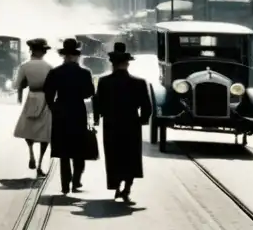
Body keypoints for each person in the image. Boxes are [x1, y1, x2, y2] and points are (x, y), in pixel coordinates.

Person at [94, 42, 153, 203]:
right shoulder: (139, 82)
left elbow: (97, 102)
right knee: (130, 156)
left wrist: (97, 118)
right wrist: (143, 120)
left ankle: (116, 185)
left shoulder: (104, 82)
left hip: (111, 123)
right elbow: (147, 105)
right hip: (131, 123)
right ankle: (127, 188)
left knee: (113, 155)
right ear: (127, 63)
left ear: (112, 64)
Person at [43, 38, 96, 195]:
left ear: (63, 56)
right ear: (77, 56)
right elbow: (89, 93)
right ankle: (76, 181)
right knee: (79, 148)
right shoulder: (85, 73)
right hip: (78, 110)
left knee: (64, 151)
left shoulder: (55, 72)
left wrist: (53, 107)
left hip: (61, 111)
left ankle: (65, 184)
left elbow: (48, 93)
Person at [13, 38, 53, 175]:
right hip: (46, 99)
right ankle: (40, 164)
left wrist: (21, 91)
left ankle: (31, 154)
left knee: (28, 128)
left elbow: (17, 84)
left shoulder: (24, 66)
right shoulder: (49, 67)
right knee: (44, 133)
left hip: (32, 97)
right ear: (43, 51)